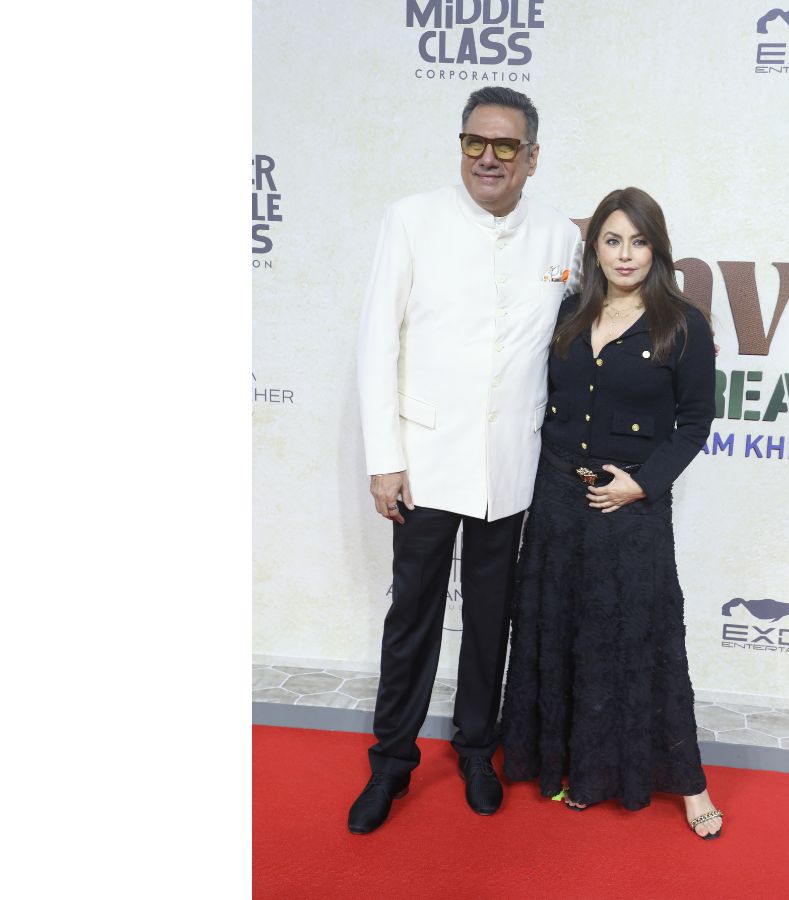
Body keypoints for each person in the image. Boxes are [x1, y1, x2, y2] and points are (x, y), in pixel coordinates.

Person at [348, 87, 583, 835]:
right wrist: (384, 459)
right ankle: (391, 761)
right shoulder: (410, 219)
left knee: (490, 620)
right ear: (460, 146)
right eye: (474, 142)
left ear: (532, 158)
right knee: (411, 619)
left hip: (511, 466)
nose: (488, 157)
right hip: (421, 463)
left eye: (505, 146)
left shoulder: (560, 237)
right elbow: (377, 344)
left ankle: (478, 749)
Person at [501, 187, 724, 839]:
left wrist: (642, 485)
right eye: (613, 240)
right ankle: (568, 766)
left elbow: (695, 423)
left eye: (639, 241)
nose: (626, 254)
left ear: (657, 249)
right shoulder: (568, 312)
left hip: (630, 508)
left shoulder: (683, 324)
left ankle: (691, 787)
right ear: (594, 247)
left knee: (642, 640)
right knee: (559, 630)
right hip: (556, 499)